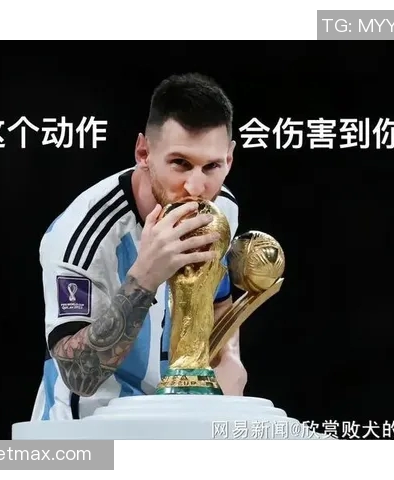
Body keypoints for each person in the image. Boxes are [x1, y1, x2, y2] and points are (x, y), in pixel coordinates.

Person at [31, 72, 247, 421]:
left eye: (212, 166)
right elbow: (78, 376)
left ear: (230, 160)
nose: (196, 187)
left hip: (169, 420)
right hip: (85, 430)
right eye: (180, 163)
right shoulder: (80, 235)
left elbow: (218, 299)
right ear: (143, 152)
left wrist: (229, 356)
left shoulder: (221, 209)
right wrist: (145, 278)